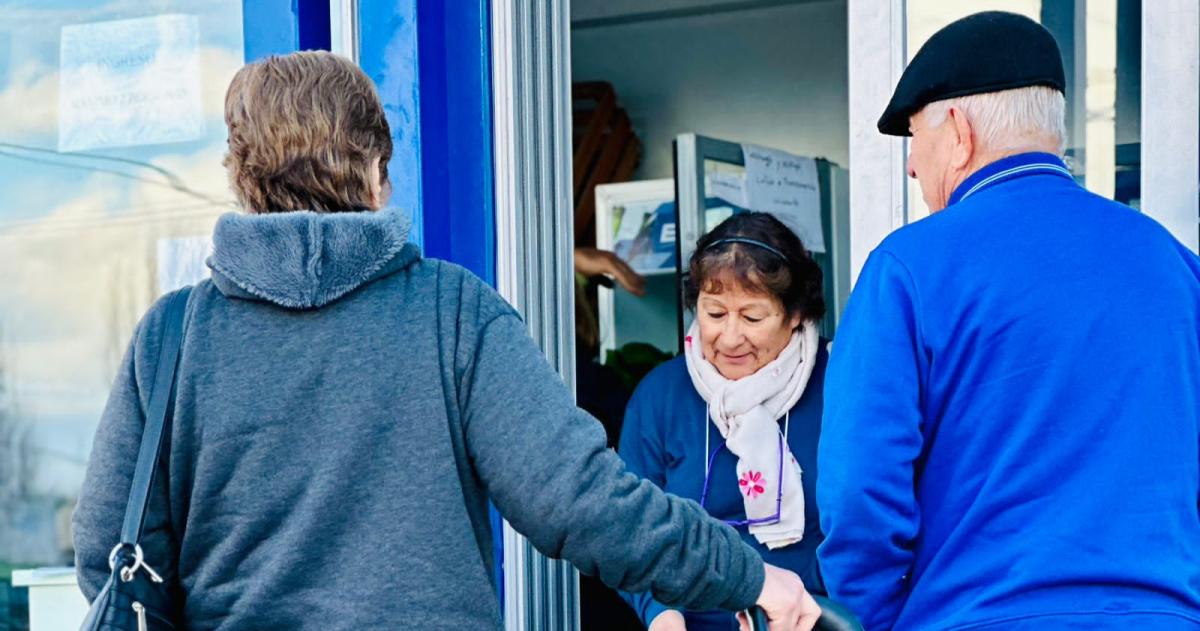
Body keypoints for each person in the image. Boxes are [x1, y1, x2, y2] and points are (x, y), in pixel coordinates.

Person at [71, 52, 822, 631]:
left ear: (241, 175)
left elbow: (110, 550)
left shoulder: (172, 337)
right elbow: (585, 503)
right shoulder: (452, 312)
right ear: (374, 173)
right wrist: (749, 574)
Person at [817, 11, 1200, 631]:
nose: (913, 167)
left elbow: (861, 491)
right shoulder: (1176, 265)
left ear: (959, 133)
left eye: (918, 138)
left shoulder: (908, 267)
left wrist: (874, 621)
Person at [620, 212, 830, 631]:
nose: (731, 338)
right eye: (715, 314)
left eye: (752, 318)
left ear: (796, 315)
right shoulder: (661, 395)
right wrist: (659, 614)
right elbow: (628, 528)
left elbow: (874, 520)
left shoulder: (842, 385)